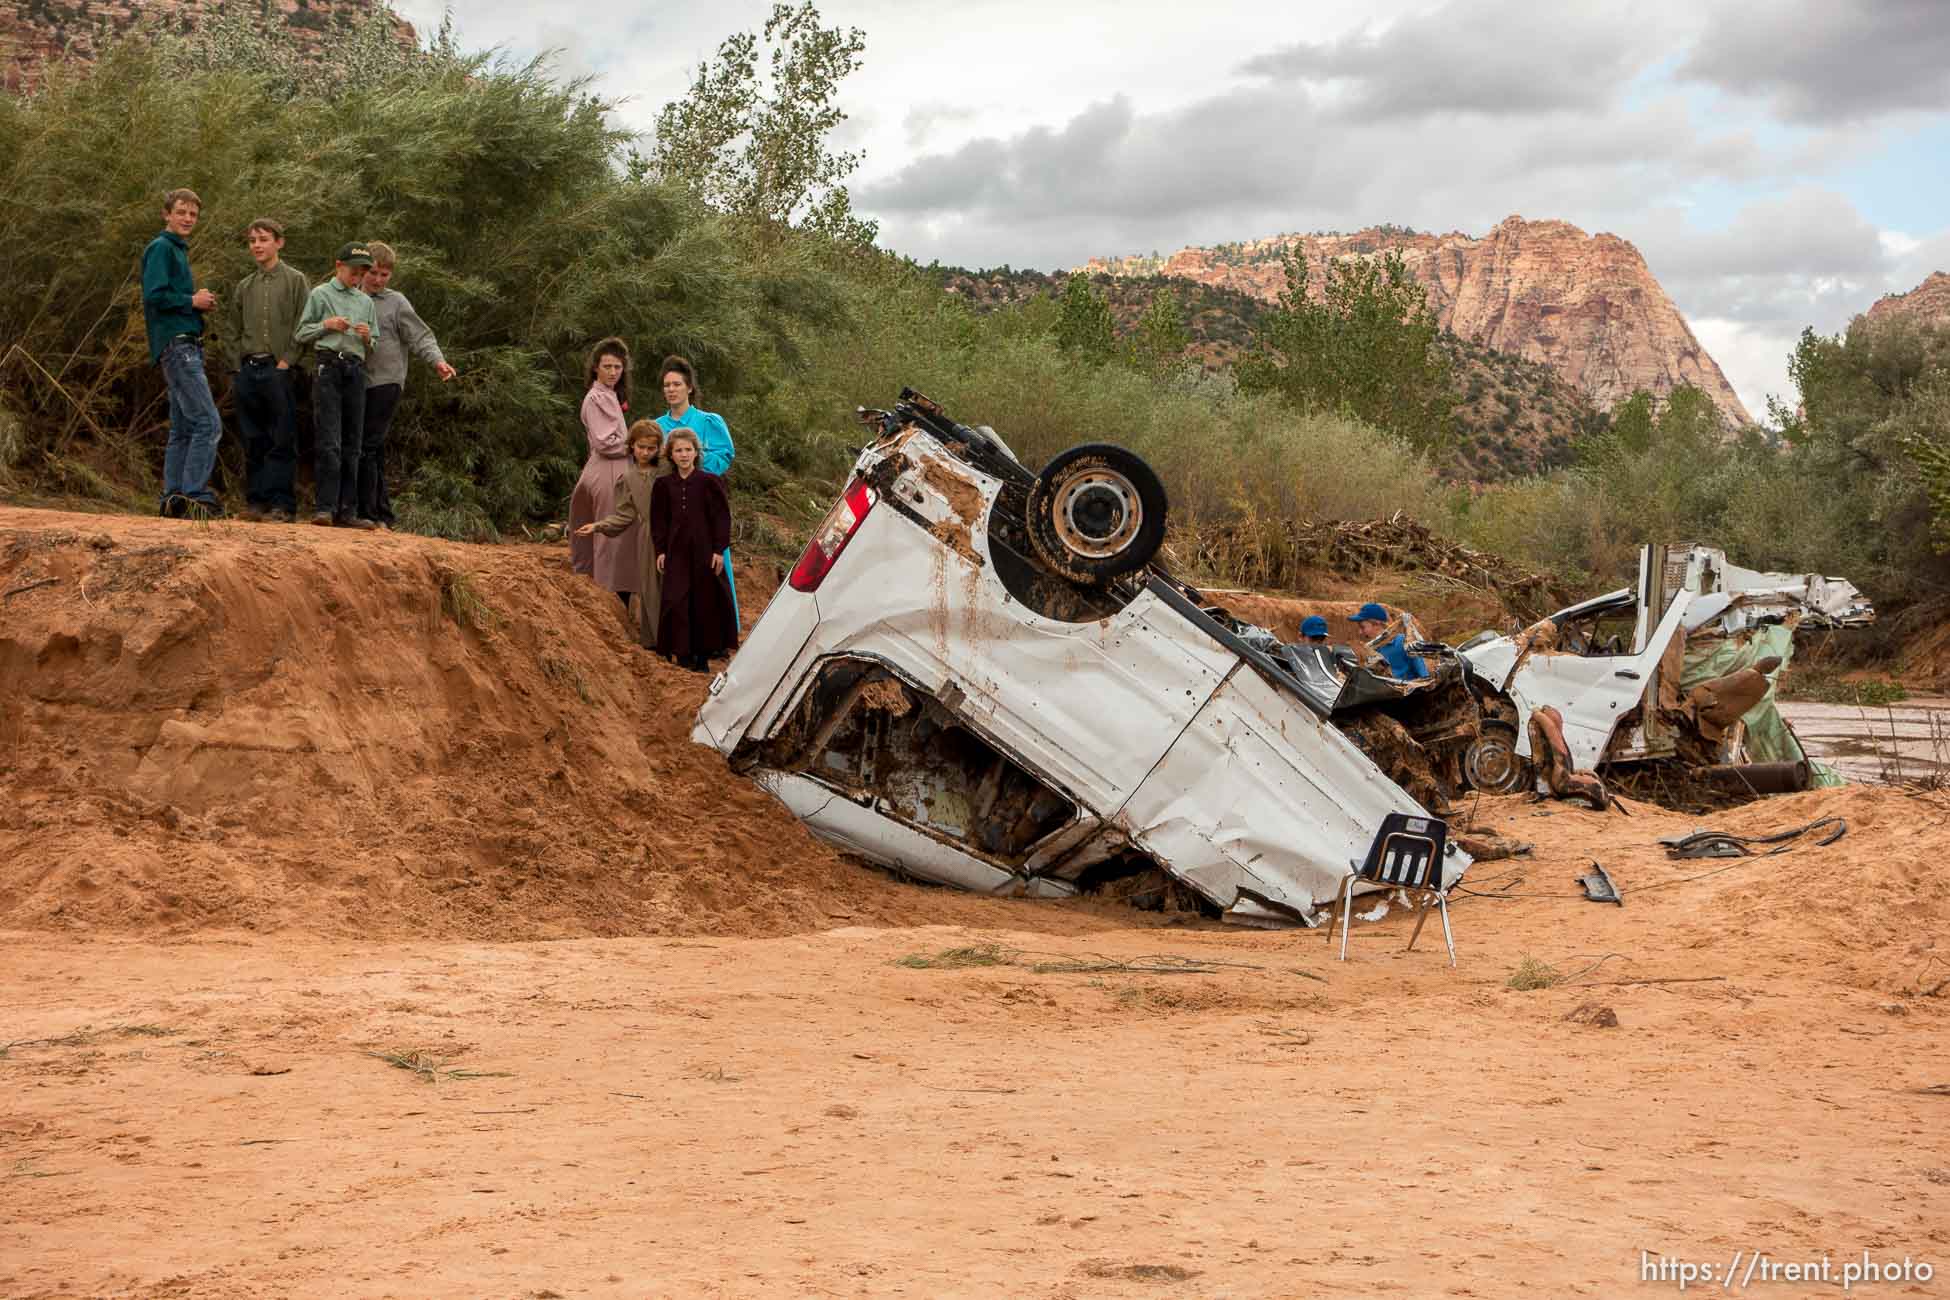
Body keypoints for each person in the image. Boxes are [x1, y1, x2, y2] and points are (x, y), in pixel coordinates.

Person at [357, 240, 456, 529]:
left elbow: (420, 336)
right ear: (362, 270)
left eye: (384, 275)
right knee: (367, 447)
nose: (377, 280)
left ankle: (369, 513)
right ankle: (380, 514)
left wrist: (437, 361)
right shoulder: (348, 297)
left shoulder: (395, 302)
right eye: (372, 273)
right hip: (353, 382)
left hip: (386, 381)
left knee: (369, 443)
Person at [220, 217, 309, 523]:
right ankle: (256, 503)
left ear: (279, 243)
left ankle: (282, 506)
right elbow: (231, 329)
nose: (257, 245)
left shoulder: (296, 280)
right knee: (252, 438)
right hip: (248, 370)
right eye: (252, 240)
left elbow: (304, 324)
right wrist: (236, 368)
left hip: (280, 369)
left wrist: (287, 362)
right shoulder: (245, 286)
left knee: (281, 438)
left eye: (263, 239)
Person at [142, 187, 223, 517]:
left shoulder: (176, 249)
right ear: (166, 214)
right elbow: (155, 296)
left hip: (181, 343)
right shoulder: (162, 248)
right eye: (182, 212)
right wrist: (192, 301)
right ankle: (193, 495)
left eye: (193, 214)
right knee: (208, 422)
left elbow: (166, 296)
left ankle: (172, 498)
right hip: (178, 346)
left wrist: (196, 302)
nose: (188, 218)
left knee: (183, 427)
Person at [293, 243, 380, 528]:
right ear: (338, 265)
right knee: (329, 439)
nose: (357, 277)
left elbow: (374, 343)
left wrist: (367, 337)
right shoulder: (320, 294)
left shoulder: (365, 302)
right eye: (353, 270)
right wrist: (327, 325)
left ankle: (348, 511)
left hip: (355, 369)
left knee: (353, 441)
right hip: (328, 365)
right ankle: (325, 508)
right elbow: (302, 332)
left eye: (362, 272)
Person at [654, 356, 739, 627]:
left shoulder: (709, 421)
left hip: (705, 504)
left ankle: (719, 630)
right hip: (672, 506)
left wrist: (696, 475)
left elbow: (725, 453)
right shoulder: (657, 426)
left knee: (713, 566)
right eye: (666, 385)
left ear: (689, 387)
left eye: (676, 384)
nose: (671, 389)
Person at [573, 421, 670, 651]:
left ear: (659, 449)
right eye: (641, 447)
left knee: (678, 587)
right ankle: (657, 642)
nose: (645, 452)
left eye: (651, 448)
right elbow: (624, 516)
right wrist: (598, 526)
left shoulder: (667, 469)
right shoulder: (628, 479)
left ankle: (686, 642)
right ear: (631, 446)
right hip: (648, 538)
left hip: (676, 533)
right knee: (651, 589)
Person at [651, 428, 738, 671]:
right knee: (677, 600)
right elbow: (659, 521)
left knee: (704, 602)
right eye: (678, 450)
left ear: (695, 452)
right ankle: (682, 652)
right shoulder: (663, 485)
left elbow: (722, 518)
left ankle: (702, 655)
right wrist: (660, 551)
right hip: (676, 552)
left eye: (688, 449)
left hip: (705, 552)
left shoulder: (710, 482)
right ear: (670, 454)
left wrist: (719, 550)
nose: (684, 454)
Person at [569, 338, 636, 602]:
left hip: (614, 470)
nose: (612, 371)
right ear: (595, 368)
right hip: (607, 471)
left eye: (617, 366)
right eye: (607, 366)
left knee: (618, 537)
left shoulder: (610, 396)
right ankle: (607, 603)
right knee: (611, 539)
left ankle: (614, 603)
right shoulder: (597, 398)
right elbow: (605, 442)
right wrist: (640, 445)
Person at [1350, 601, 1429, 680]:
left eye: (1362, 627)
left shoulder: (1403, 642)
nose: (1360, 632)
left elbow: (1424, 677)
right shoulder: (1369, 650)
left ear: (1377, 624)